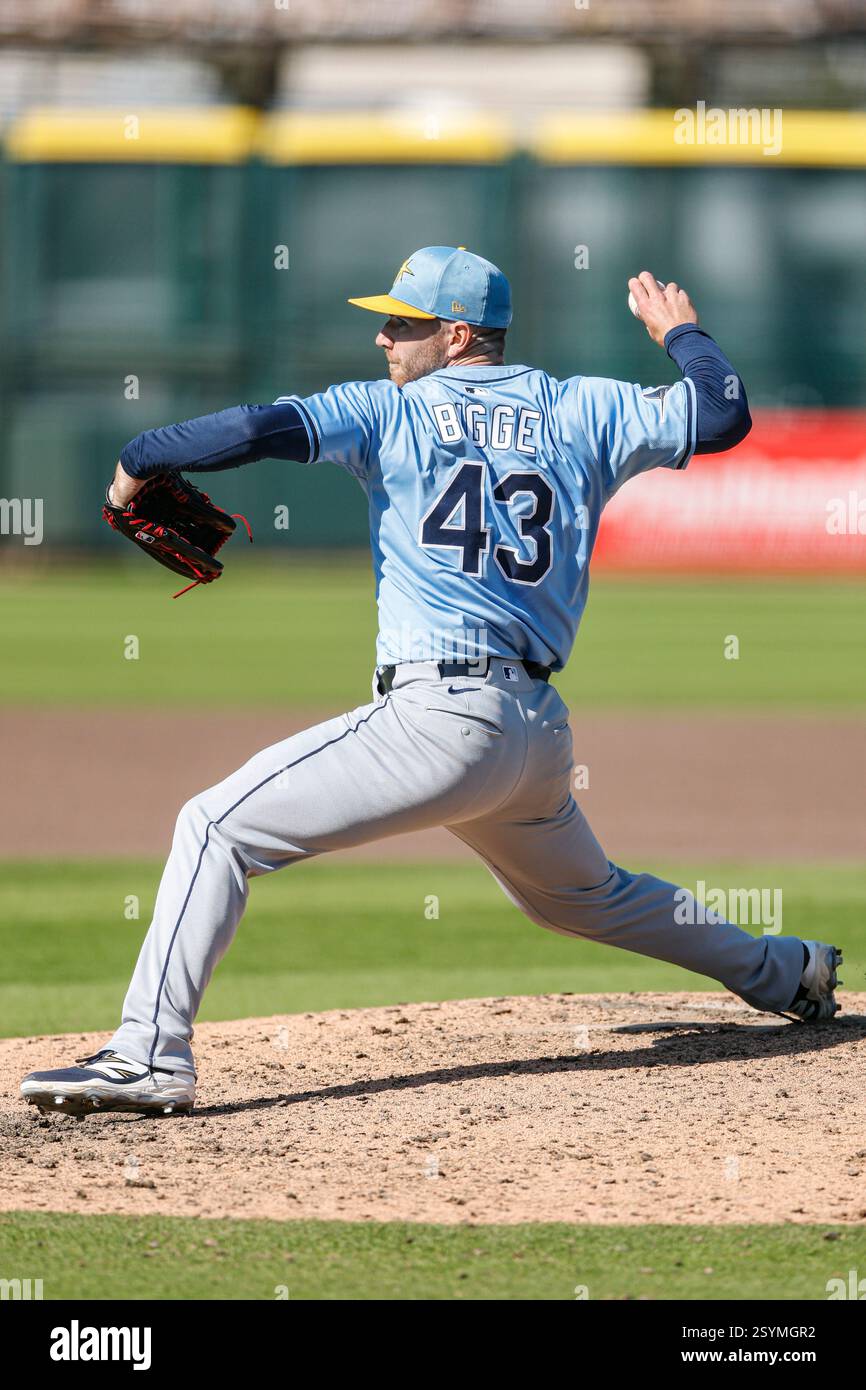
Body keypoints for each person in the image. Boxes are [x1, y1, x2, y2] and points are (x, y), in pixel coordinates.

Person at [21, 247, 841, 1117]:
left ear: (454, 336)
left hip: (440, 719)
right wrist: (681, 332)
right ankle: (787, 970)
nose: (382, 337)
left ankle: (149, 1057)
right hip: (530, 731)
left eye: (401, 322)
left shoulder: (387, 412)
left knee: (214, 826)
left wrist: (138, 456)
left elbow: (252, 430)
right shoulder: (583, 407)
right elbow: (721, 416)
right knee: (585, 898)